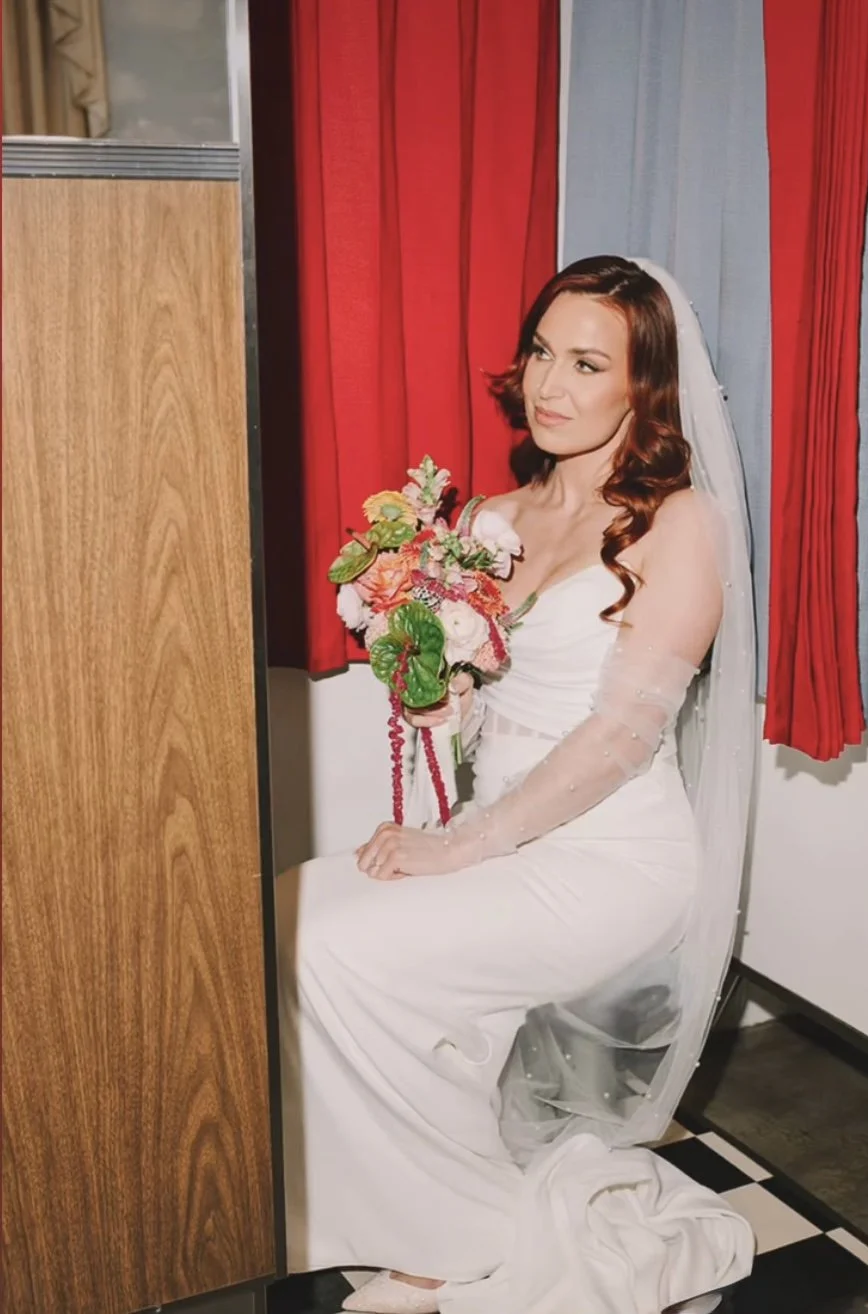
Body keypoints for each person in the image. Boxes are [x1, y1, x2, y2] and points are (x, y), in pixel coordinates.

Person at [276, 257, 756, 1314]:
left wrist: (465, 844)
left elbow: (619, 740)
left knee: (335, 944)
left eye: (587, 363)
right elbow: (488, 710)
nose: (548, 382)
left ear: (647, 388)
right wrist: (445, 703)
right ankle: (395, 1205)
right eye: (542, 350)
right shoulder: (493, 515)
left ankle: (452, 1238)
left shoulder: (682, 528)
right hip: (502, 833)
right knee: (282, 914)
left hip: (610, 857)